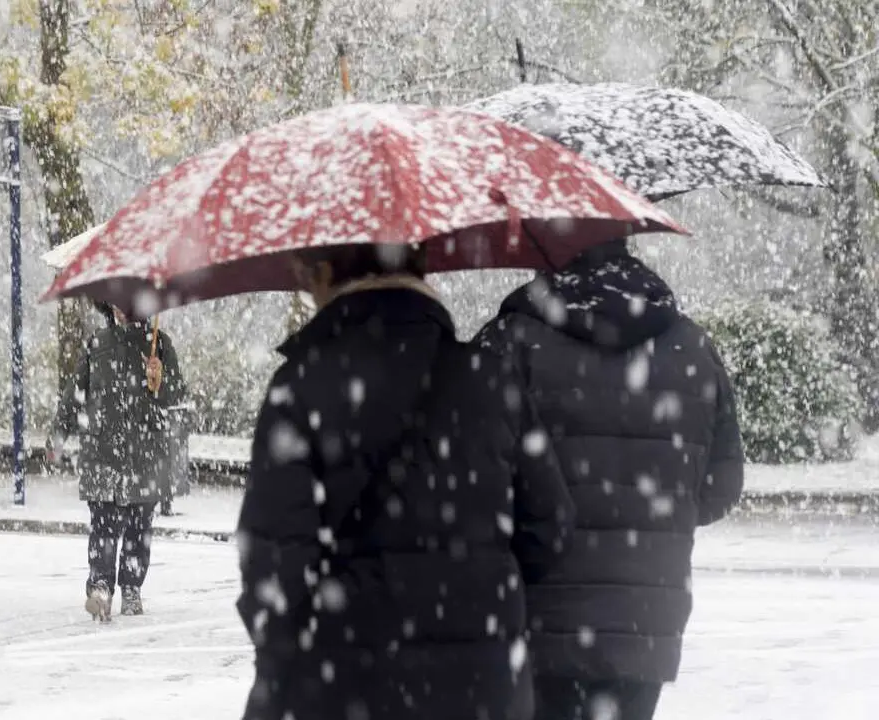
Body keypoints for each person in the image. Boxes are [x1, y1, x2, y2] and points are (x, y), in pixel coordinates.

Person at [236, 245, 576, 720]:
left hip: (344, 686)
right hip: (484, 690)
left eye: (308, 274)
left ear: (328, 272)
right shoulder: (492, 380)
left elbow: (273, 567)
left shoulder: (300, 386)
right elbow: (550, 526)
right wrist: (482, 595)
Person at [475, 238, 745, 720]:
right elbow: (721, 487)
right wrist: (658, 512)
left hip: (539, 618)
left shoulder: (512, 341)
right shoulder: (693, 347)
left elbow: (475, 478)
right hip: (647, 621)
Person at [49, 302, 187, 622]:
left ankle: (131, 587)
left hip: (146, 453)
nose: (122, 309)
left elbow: (178, 401)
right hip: (102, 451)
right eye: (116, 303)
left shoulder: (160, 345)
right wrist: (58, 434)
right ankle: (100, 587)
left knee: (139, 527)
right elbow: (75, 394)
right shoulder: (97, 343)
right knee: (104, 525)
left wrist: (159, 381)